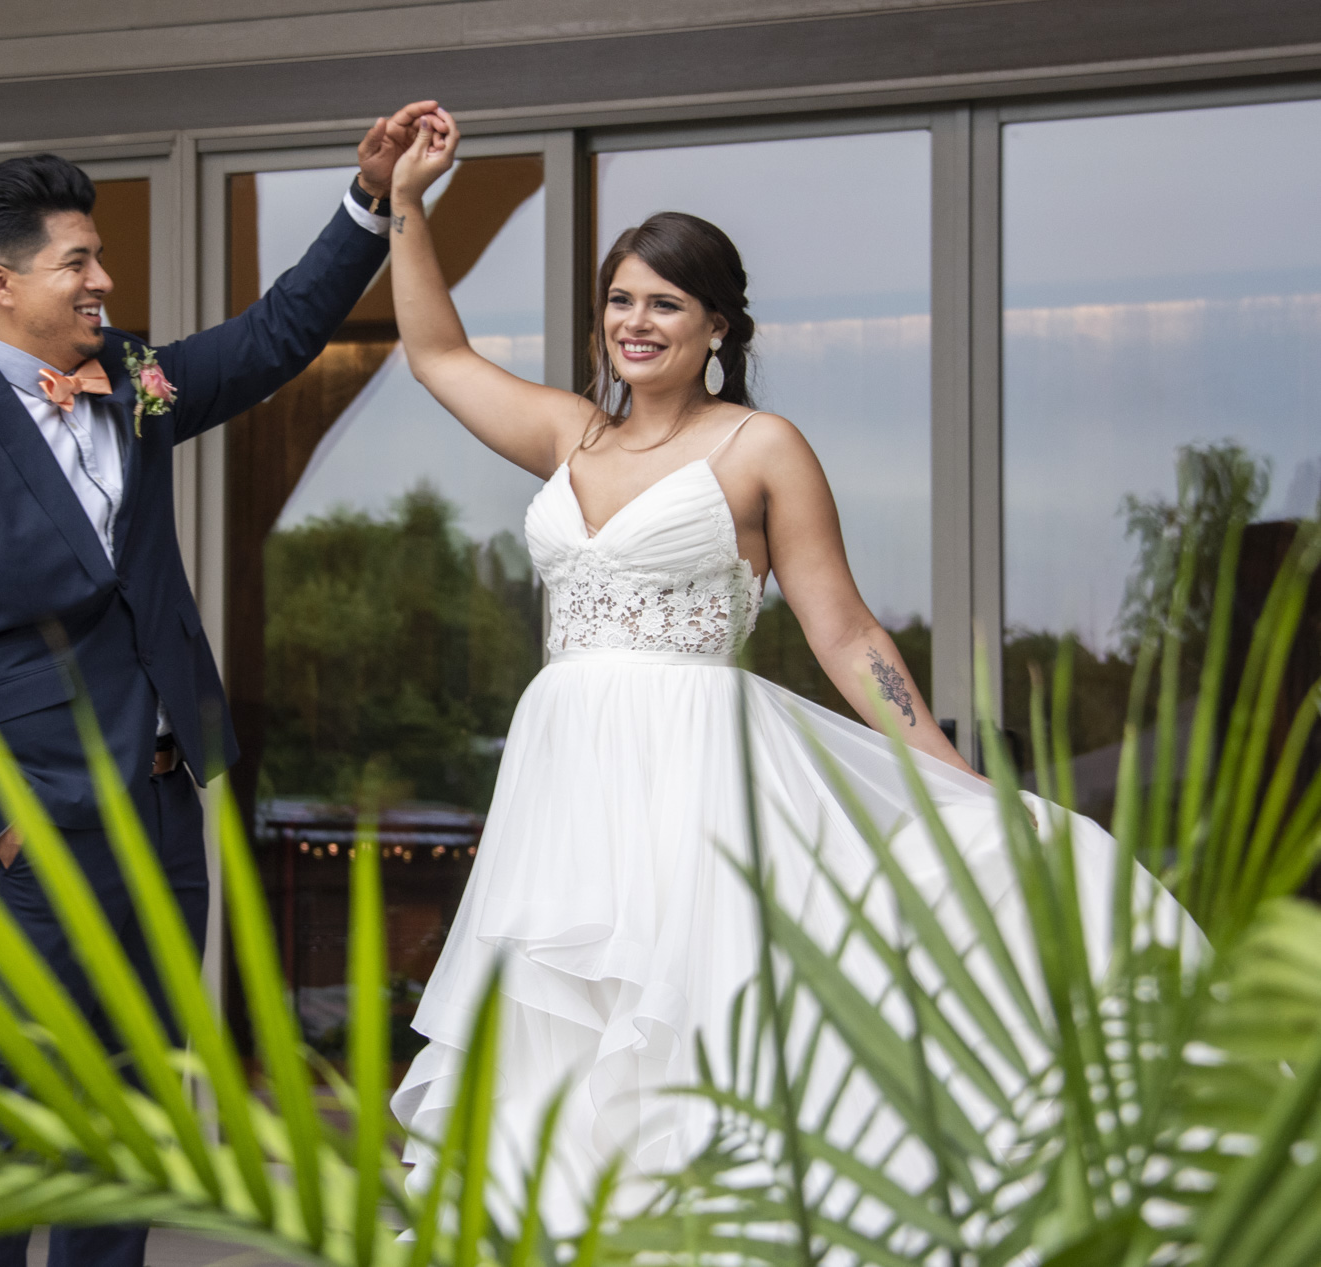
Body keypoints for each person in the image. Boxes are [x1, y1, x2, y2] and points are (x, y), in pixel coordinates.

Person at [379, 111, 1113, 1230]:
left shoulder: (758, 447)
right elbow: (436, 354)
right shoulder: (569, 436)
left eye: (664, 303)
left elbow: (846, 632)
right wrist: (407, 204)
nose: (636, 321)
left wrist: (948, 779)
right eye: (620, 299)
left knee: (685, 1025)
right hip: (563, 779)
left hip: (693, 774)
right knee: (561, 1032)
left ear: (715, 324)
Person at [0, 102, 439, 1267]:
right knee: (18, 1116)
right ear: (1, 283)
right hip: (34, 833)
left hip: (162, 813)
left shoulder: (134, 383)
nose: (104, 279)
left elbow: (270, 339)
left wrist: (368, 201)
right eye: (81, 262)